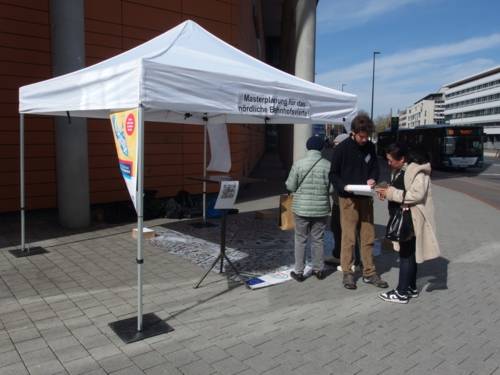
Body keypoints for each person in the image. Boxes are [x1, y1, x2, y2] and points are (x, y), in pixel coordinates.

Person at [375, 144, 440, 303]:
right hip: (405, 217)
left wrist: (390, 193)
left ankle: (401, 293)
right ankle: (410, 287)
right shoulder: (401, 169)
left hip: (411, 219)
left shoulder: (417, 170)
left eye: (390, 160)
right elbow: (399, 188)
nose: (388, 163)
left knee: (405, 255)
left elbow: (416, 194)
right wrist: (386, 192)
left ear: (402, 159)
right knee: (409, 254)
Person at [330, 114, 388, 289]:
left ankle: (369, 273)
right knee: (348, 238)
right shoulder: (342, 149)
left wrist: (372, 179)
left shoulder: (370, 147)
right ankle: (348, 272)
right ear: (353, 133)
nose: (364, 140)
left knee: (368, 236)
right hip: (348, 199)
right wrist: (343, 187)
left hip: (365, 198)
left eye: (366, 137)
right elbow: (333, 174)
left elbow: (375, 169)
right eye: (361, 137)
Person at [286, 135, 331, 282]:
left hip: (301, 208)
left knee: (300, 239)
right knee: (318, 239)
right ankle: (319, 270)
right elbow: (331, 189)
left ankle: (299, 272)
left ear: (307, 147)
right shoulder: (328, 165)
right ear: (321, 148)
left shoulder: (299, 164)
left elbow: (291, 186)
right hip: (321, 208)